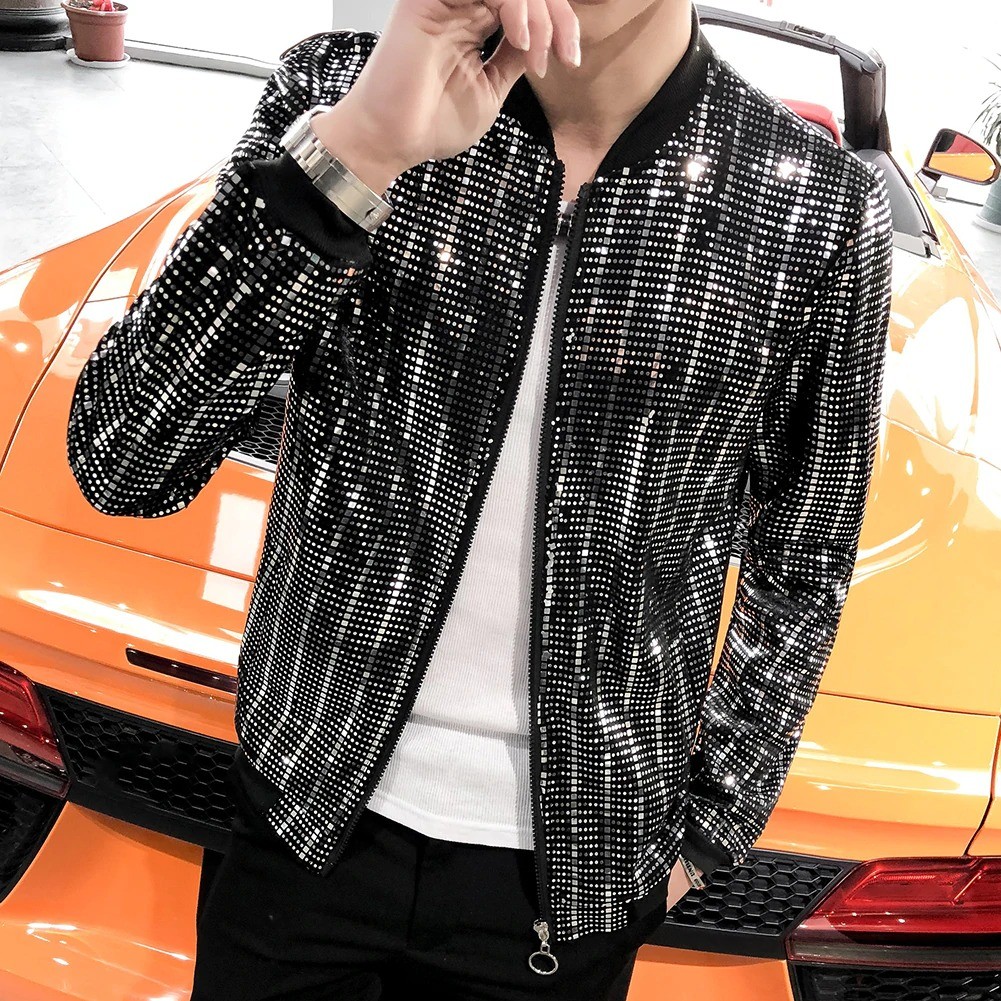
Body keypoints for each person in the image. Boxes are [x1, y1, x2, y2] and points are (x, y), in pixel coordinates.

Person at [64, 0, 895, 998]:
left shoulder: (812, 206)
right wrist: (359, 152)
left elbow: (802, 557)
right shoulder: (342, 93)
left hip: (567, 884)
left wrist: (710, 828)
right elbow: (125, 457)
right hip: (301, 817)